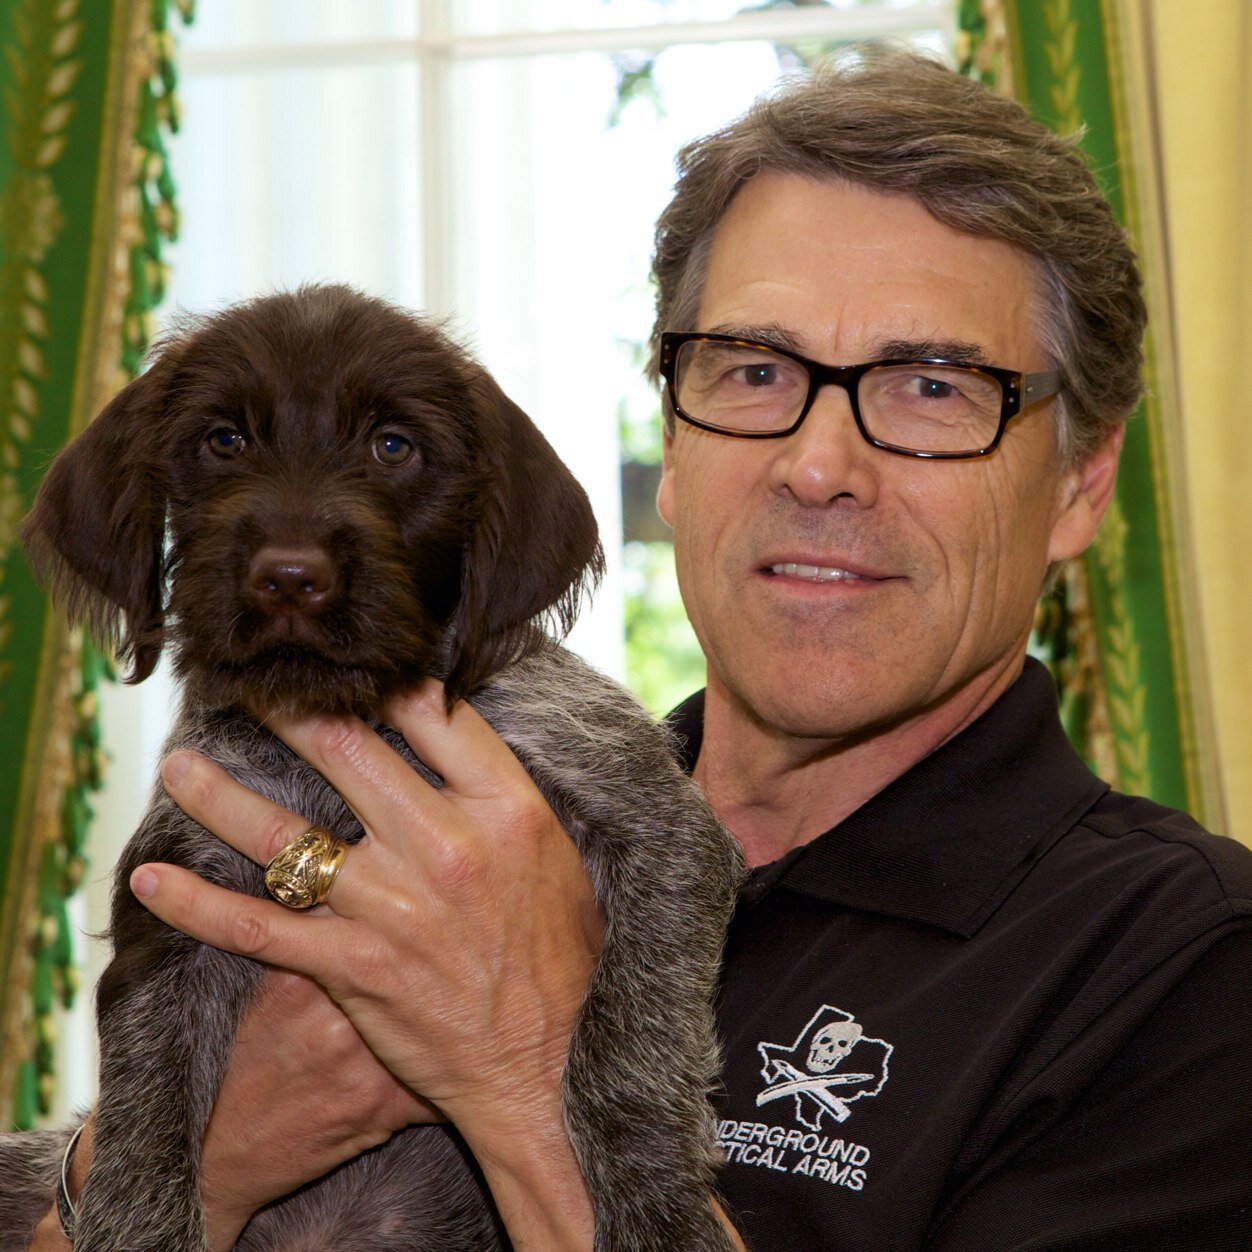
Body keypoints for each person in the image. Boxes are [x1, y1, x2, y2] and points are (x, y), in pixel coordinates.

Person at [28, 51, 1252, 1251]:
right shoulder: (528, 796)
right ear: (670, 441)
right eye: (756, 370)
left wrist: (522, 1070)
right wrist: (188, 1167)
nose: (819, 466)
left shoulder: (1184, 971)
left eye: (933, 387)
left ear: (1082, 481)